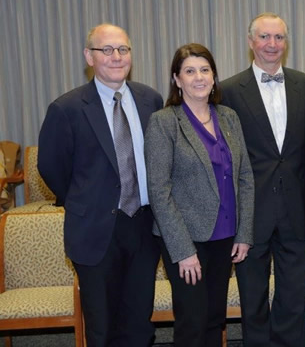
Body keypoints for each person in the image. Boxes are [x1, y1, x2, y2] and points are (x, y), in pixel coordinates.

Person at [38, 23, 163, 346]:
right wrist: (85, 200)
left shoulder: (151, 100)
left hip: (143, 228)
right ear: (89, 57)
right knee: (102, 328)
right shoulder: (66, 109)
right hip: (94, 232)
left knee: (138, 324)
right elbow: (51, 168)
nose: (116, 57)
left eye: (123, 49)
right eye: (106, 50)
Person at [144, 43, 254, 346]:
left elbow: (245, 176)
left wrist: (244, 233)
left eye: (205, 70)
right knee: (192, 321)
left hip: (225, 236)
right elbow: (159, 190)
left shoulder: (229, 117)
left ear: (215, 77)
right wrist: (183, 251)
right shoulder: (164, 122)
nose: (199, 77)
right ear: (177, 80)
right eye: (190, 71)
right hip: (186, 240)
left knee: (214, 318)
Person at [220, 12, 305, 346]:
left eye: (278, 37)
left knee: (294, 298)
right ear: (251, 42)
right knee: (253, 299)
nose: (272, 44)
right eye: (264, 37)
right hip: (250, 213)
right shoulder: (229, 90)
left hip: (295, 209)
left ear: (286, 43)